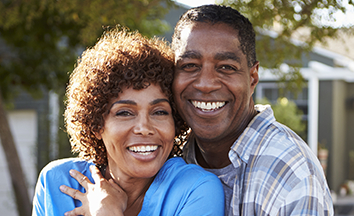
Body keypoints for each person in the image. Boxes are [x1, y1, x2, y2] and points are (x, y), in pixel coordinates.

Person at [31, 28, 225, 216]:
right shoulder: (57, 182)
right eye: (124, 113)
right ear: (97, 125)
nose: (144, 128)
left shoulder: (196, 190)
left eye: (159, 112)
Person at [171, 4, 333, 216]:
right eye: (190, 65)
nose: (206, 84)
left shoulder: (291, 173)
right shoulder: (166, 157)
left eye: (226, 67)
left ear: (253, 77)